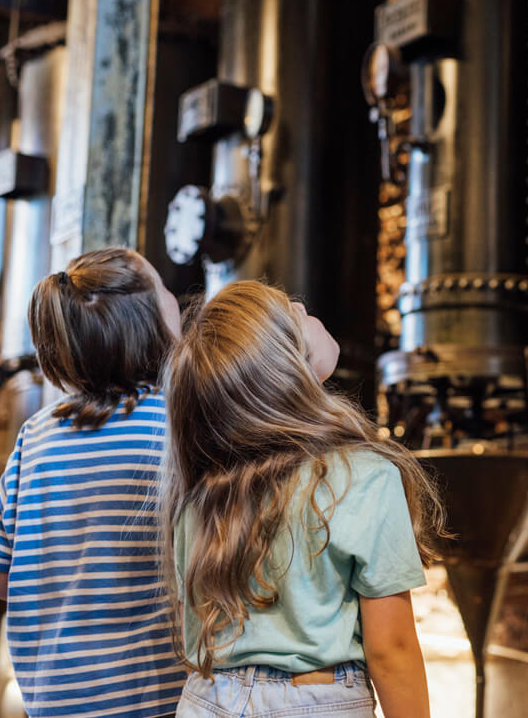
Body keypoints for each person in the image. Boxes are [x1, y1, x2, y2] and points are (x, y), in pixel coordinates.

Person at [158, 280, 444, 718]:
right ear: (289, 368)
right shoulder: (365, 476)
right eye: (295, 315)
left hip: (207, 697)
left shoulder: (199, 488)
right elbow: (392, 650)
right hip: (317, 701)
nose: (301, 305)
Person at [0, 248, 187, 717]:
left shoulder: (36, 435)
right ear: (145, 323)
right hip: (153, 701)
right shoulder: (176, 424)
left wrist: (66, 587)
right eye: (166, 290)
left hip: (54, 702)